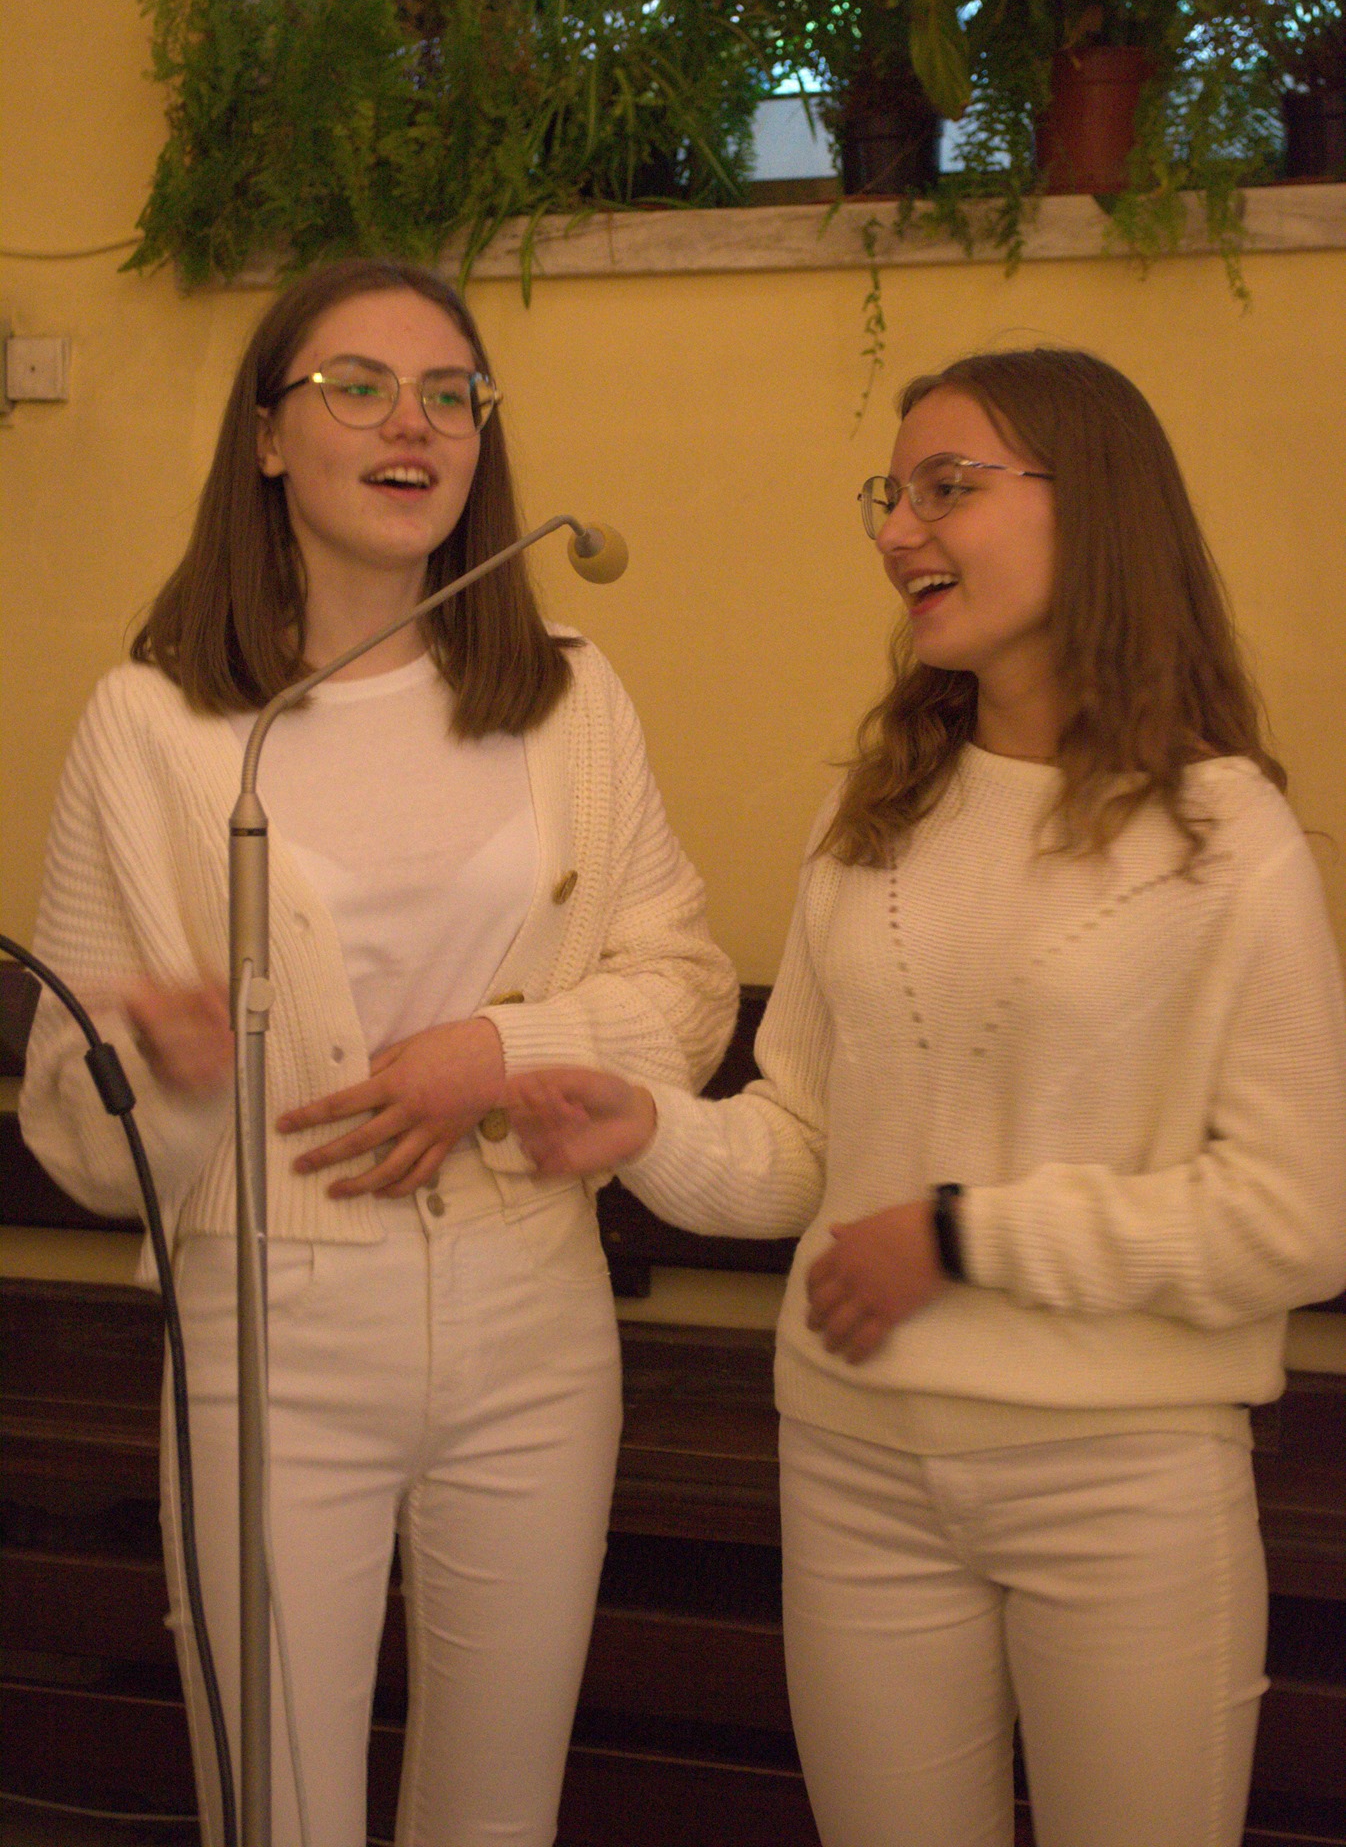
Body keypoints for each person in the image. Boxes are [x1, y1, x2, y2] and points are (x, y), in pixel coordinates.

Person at [503, 347, 1346, 1847]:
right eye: (889, 496)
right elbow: (805, 1148)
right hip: (852, 1465)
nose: (899, 530)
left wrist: (965, 1238)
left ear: (1095, 507)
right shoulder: (871, 809)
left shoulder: (1228, 836)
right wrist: (652, 1132)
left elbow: (1297, 1219)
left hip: (1118, 1485)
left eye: (947, 488)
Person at [19, 255, 738, 1847]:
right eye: (357, 387)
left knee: (497, 1813)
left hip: (535, 1321)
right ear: (268, 438)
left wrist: (499, 1047)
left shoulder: (568, 696)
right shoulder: (154, 721)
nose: (412, 423)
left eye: (449, 393)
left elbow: (686, 988)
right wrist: (171, 1074)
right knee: (274, 1810)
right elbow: (76, 1124)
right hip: (273, 1324)